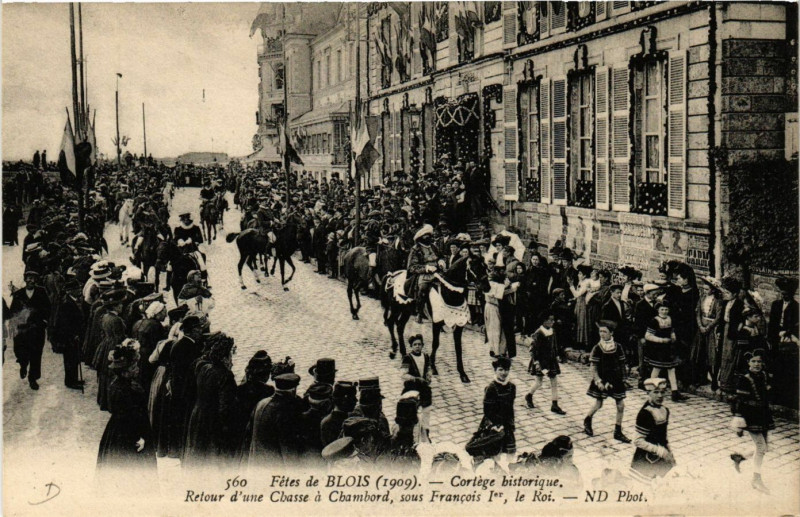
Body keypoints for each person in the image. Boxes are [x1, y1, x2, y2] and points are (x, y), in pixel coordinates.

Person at [96, 340, 157, 492]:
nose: (137, 369)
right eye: (134, 367)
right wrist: (139, 438)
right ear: (124, 371)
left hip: (120, 430)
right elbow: (127, 418)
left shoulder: (120, 384)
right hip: (128, 435)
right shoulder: (123, 389)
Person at [183, 332, 238, 470]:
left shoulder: (204, 367)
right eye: (231, 354)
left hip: (198, 417)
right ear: (225, 356)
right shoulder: (225, 376)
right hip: (213, 423)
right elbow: (225, 408)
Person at [729, 349, 774, 494]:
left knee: (764, 446)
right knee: (761, 448)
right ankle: (756, 479)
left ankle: (739, 457)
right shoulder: (744, 379)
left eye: (759, 361)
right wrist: (739, 422)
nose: (756, 364)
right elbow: (739, 402)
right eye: (753, 361)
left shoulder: (764, 376)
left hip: (763, 414)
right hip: (751, 416)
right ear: (748, 363)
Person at [164, 315, 205, 459]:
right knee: (184, 420)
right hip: (185, 390)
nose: (201, 331)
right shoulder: (190, 347)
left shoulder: (178, 344)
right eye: (199, 328)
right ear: (193, 331)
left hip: (177, 387)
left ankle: (175, 449)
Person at [583, 320, 631, 443]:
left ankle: (618, 431)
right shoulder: (597, 348)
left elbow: (622, 364)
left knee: (621, 405)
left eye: (605, 331)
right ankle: (587, 419)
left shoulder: (618, 346)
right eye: (600, 331)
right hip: (602, 380)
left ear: (611, 333)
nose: (602, 334)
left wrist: (624, 378)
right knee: (599, 404)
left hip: (616, 380)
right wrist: (598, 381)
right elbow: (593, 366)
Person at [248, 372, 305, 468]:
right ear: (293, 390)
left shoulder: (261, 403)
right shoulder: (285, 412)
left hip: (256, 462)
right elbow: (288, 450)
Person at [9, 270, 52, 390]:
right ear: (25, 279)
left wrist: (44, 321)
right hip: (22, 331)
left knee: (36, 354)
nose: (30, 280)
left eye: (33, 278)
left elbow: (48, 308)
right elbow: (13, 311)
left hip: (37, 330)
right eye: (28, 278)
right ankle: (23, 365)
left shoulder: (41, 292)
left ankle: (32, 378)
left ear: (36, 280)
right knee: (21, 352)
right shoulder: (18, 294)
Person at [629, 378, 675, 484]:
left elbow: (663, 436)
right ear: (648, 393)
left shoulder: (665, 410)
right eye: (656, 392)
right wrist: (660, 451)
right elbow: (637, 441)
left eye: (662, 392)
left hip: (662, 456)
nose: (660, 396)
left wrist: (669, 452)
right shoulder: (645, 413)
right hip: (646, 458)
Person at [644, 302, 688, 402]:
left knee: (671, 369)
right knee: (656, 369)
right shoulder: (654, 320)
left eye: (666, 309)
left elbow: (671, 330)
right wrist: (662, 340)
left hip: (668, 349)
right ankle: (651, 390)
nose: (664, 311)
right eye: (662, 309)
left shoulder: (669, 319)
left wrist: (673, 337)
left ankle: (675, 392)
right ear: (658, 310)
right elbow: (648, 336)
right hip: (658, 349)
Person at [525, 310, 566, 415]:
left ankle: (554, 404)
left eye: (553, 320)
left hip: (551, 360)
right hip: (541, 361)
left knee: (554, 382)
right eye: (550, 320)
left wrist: (556, 355)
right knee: (539, 382)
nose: (553, 322)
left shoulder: (552, 331)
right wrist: (537, 363)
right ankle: (529, 395)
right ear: (544, 321)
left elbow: (554, 345)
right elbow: (534, 350)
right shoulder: (539, 333)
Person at [768, 277, 799, 408]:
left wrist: (787, 332)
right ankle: (775, 397)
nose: (784, 295)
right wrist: (771, 338)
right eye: (782, 293)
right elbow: (772, 323)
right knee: (775, 367)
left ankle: (787, 399)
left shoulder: (796, 307)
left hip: (787, 341)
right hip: (776, 340)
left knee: (788, 369)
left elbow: (796, 325)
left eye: (786, 293)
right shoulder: (776, 304)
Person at [480, 356, 516, 464]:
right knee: (494, 451)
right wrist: (495, 425)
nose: (503, 373)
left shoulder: (512, 387)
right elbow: (487, 410)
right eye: (500, 369)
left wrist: (511, 422)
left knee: (509, 450)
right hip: (494, 422)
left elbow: (510, 406)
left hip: (507, 422)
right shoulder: (491, 388)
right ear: (495, 370)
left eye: (506, 370)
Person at [50, 278, 85, 390]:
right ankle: (70, 381)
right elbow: (65, 323)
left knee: (74, 358)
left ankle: (73, 379)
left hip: (72, 336)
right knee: (70, 359)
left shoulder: (71, 300)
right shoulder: (67, 303)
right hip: (69, 337)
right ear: (70, 291)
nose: (79, 290)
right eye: (76, 288)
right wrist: (73, 335)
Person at [405, 223, 444, 323]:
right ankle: (419, 312)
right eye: (426, 236)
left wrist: (441, 261)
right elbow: (411, 267)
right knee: (423, 288)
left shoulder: (433, 247)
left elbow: (440, 256)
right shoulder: (416, 249)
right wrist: (426, 268)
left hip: (437, 272)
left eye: (429, 236)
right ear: (421, 237)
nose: (429, 238)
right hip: (423, 274)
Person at [400, 334, 433, 442]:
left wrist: (428, 375)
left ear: (422, 345)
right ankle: (411, 436)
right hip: (411, 388)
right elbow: (403, 375)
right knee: (411, 413)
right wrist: (415, 379)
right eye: (415, 344)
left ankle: (425, 435)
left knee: (426, 411)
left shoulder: (426, 356)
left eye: (419, 344)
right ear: (411, 346)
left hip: (424, 388)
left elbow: (428, 368)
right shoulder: (407, 358)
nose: (417, 346)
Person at [131, 301, 167, 390]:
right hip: (149, 357)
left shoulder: (138, 322)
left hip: (137, 355)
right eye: (164, 313)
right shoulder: (156, 326)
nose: (165, 316)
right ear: (157, 313)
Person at [320, 381, 358, 448]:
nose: (356, 400)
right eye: (353, 398)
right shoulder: (328, 424)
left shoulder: (327, 422)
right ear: (344, 401)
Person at [571, 264, 593, 350]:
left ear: (584, 275)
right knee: (578, 321)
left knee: (582, 321)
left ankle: (583, 342)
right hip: (579, 302)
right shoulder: (581, 282)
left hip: (583, 303)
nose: (578, 275)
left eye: (580, 274)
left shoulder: (587, 282)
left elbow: (577, 294)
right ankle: (578, 340)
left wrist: (571, 286)